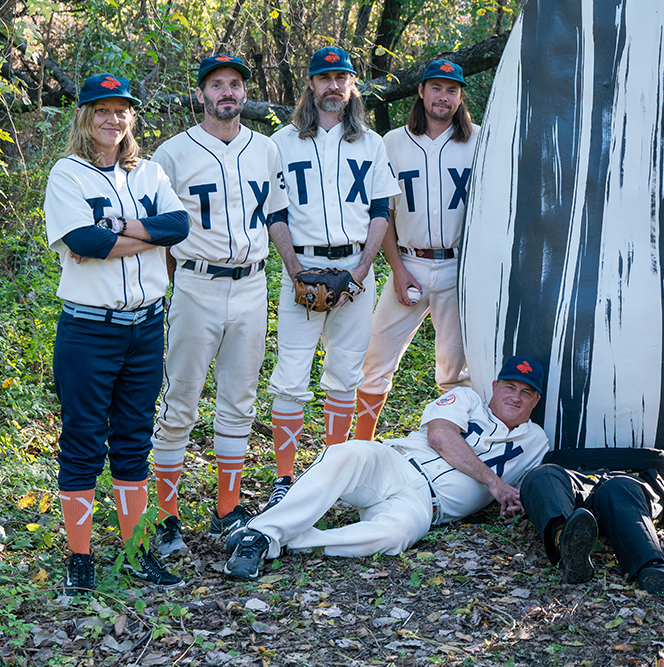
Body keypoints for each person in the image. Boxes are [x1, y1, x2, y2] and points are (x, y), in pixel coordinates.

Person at [43, 74, 191, 595]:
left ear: (131, 117)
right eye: (102, 110)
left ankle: (133, 552)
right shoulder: (68, 174)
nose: (113, 119)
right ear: (84, 117)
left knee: (133, 440)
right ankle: (79, 560)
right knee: (83, 441)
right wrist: (136, 234)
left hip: (146, 325)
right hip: (89, 330)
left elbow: (179, 227)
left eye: (122, 110)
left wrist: (112, 230)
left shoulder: (148, 172)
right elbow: (82, 239)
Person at [222, 357, 550, 578]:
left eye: (527, 392)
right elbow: (439, 436)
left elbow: (535, 487)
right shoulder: (467, 399)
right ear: (495, 386)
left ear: (536, 401)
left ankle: (291, 541)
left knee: (395, 536)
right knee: (347, 454)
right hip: (394, 464)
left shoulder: (537, 442)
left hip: (426, 507)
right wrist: (494, 483)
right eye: (510, 387)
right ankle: (261, 535)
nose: (516, 397)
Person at [147, 54, 288, 556]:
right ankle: (165, 517)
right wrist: (170, 287)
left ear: (245, 93)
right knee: (179, 399)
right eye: (216, 85)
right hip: (196, 282)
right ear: (201, 93)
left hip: (251, 283)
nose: (226, 92)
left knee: (239, 399)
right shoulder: (172, 153)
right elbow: (158, 233)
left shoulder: (265, 149)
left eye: (234, 84)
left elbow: (275, 217)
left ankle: (228, 508)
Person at [265, 46, 401, 508]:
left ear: (351, 85)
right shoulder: (281, 142)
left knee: (345, 374)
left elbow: (382, 208)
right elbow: (275, 212)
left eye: (341, 77)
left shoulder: (371, 142)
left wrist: (362, 270)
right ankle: (285, 478)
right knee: (290, 377)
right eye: (324, 77)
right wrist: (296, 271)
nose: (333, 86)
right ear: (310, 83)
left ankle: (332, 470)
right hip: (302, 268)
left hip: (354, 270)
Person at [354, 58, 478, 439]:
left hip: (460, 267)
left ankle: (459, 445)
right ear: (421, 91)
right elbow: (384, 213)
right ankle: (361, 445)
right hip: (408, 260)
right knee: (375, 358)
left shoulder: (480, 139)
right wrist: (397, 268)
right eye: (436, 88)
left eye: (451, 90)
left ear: (460, 97)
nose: (443, 96)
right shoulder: (392, 141)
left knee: (455, 371)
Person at [520, 452, 664, 603]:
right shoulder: (541, 445)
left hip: (628, 483)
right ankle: (566, 542)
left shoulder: (656, 457)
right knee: (542, 474)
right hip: (575, 481)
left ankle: (654, 572)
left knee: (620, 487)